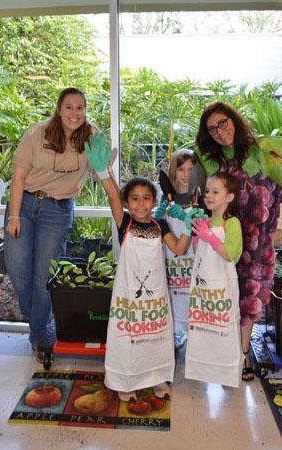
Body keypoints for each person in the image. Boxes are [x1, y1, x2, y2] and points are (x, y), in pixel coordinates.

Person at [4, 87, 116, 362]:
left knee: (44, 275)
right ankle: (37, 317)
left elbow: (104, 173)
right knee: (17, 270)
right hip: (25, 204)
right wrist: (15, 216)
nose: (74, 113)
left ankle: (39, 334)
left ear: (85, 111)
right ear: (59, 109)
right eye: (69, 107)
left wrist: (123, 207)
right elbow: (18, 178)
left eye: (80, 108)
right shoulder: (37, 133)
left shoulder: (92, 137)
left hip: (58, 209)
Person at [84, 133, 199, 401]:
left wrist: (191, 225)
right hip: (129, 298)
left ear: (153, 202)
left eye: (146, 198)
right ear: (127, 203)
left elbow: (180, 249)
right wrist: (103, 171)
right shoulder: (125, 223)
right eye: (134, 198)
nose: (140, 204)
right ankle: (126, 380)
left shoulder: (160, 225)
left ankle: (158, 378)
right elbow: (113, 194)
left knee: (157, 338)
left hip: (156, 299)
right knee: (129, 338)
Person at [195, 101, 282, 381]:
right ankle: (221, 348)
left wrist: (277, 223)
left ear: (234, 120)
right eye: (212, 129)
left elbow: (279, 189)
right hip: (223, 234)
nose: (219, 131)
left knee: (250, 296)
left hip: (258, 238)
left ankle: (242, 354)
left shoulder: (262, 151)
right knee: (223, 292)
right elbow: (201, 192)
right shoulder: (210, 159)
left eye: (223, 123)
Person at [185, 173, 244, 388]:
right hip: (202, 289)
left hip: (222, 290)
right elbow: (195, 252)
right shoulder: (205, 220)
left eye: (215, 192)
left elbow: (230, 255)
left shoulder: (232, 223)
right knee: (202, 328)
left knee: (222, 328)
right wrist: (194, 234)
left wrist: (210, 236)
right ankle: (203, 369)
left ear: (230, 197)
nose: (209, 195)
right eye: (207, 191)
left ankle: (226, 373)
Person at [154, 149, 203, 347]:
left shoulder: (201, 197)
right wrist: (158, 220)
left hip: (194, 260)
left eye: (191, 169)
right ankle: (176, 331)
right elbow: (159, 231)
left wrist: (186, 218)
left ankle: (195, 331)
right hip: (172, 261)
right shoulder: (166, 199)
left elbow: (205, 232)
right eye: (181, 169)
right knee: (175, 297)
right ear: (173, 171)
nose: (186, 174)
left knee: (193, 296)